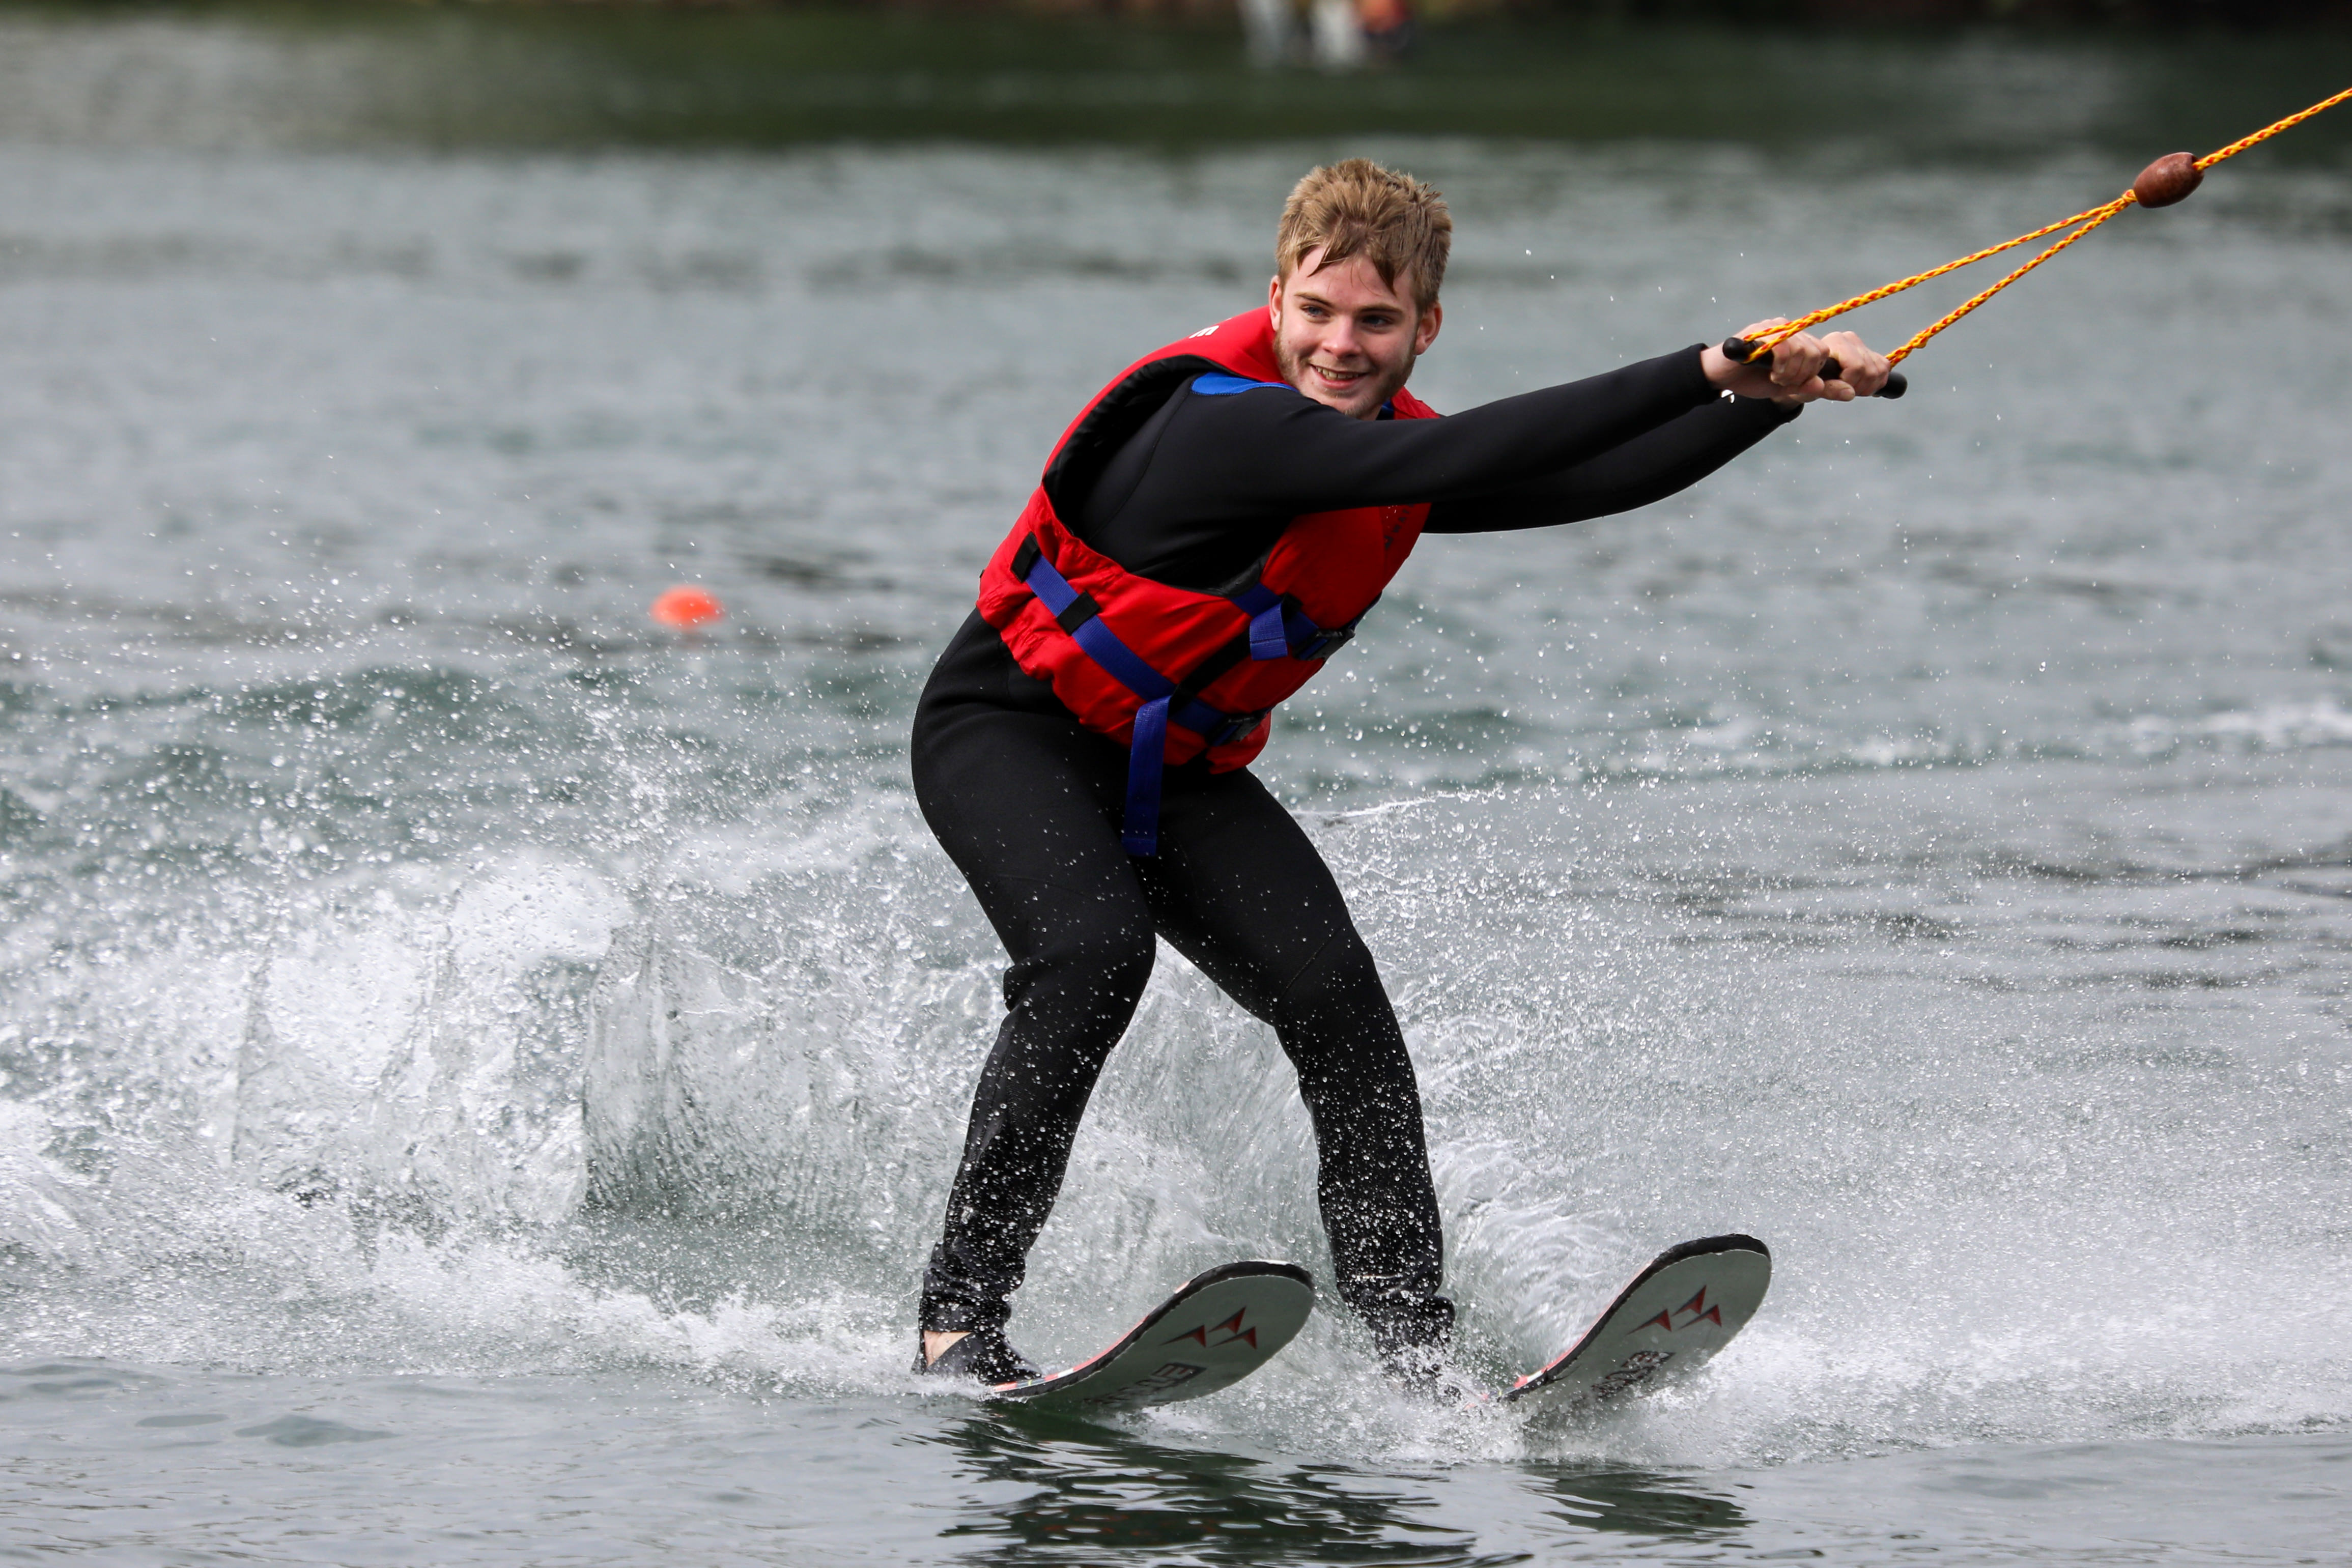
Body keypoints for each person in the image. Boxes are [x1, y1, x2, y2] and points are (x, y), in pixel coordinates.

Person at [910, 158, 1889, 1390]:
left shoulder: (1373, 446)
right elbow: (1483, 443)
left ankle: (1410, 1351)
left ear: (1425, 327)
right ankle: (957, 1323)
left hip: (1173, 765)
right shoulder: (1218, 423)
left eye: (1376, 320)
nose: (1340, 344)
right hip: (1010, 731)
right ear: (1275, 299)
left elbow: (1574, 478)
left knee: (1339, 1005)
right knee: (1092, 956)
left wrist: (1767, 401)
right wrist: (1708, 366)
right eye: (1316, 311)